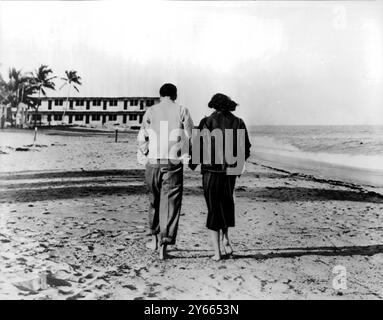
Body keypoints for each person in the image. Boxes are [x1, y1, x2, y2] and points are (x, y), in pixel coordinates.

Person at [190, 93, 251, 261]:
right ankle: (226, 238)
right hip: (230, 171)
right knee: (225, 204)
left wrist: (192, 165)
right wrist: (236, 165)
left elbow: (196, 148)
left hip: (211, 171)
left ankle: (217, 253)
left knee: (213, 209)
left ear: (213, 105)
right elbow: (246, 148)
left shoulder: (207, 121)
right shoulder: (239, 122)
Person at [137, 83, 194, 260]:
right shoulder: (182, 110)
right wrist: (189, 156)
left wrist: (147, 152)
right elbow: (191, 135)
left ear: (161, 95)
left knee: (154, 201)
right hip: (172, 162)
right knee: (170, 204)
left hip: (153, 162)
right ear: (175, 95)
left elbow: (142, 137)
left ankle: (154, 240)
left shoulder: (151, 111)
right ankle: (164, 245)